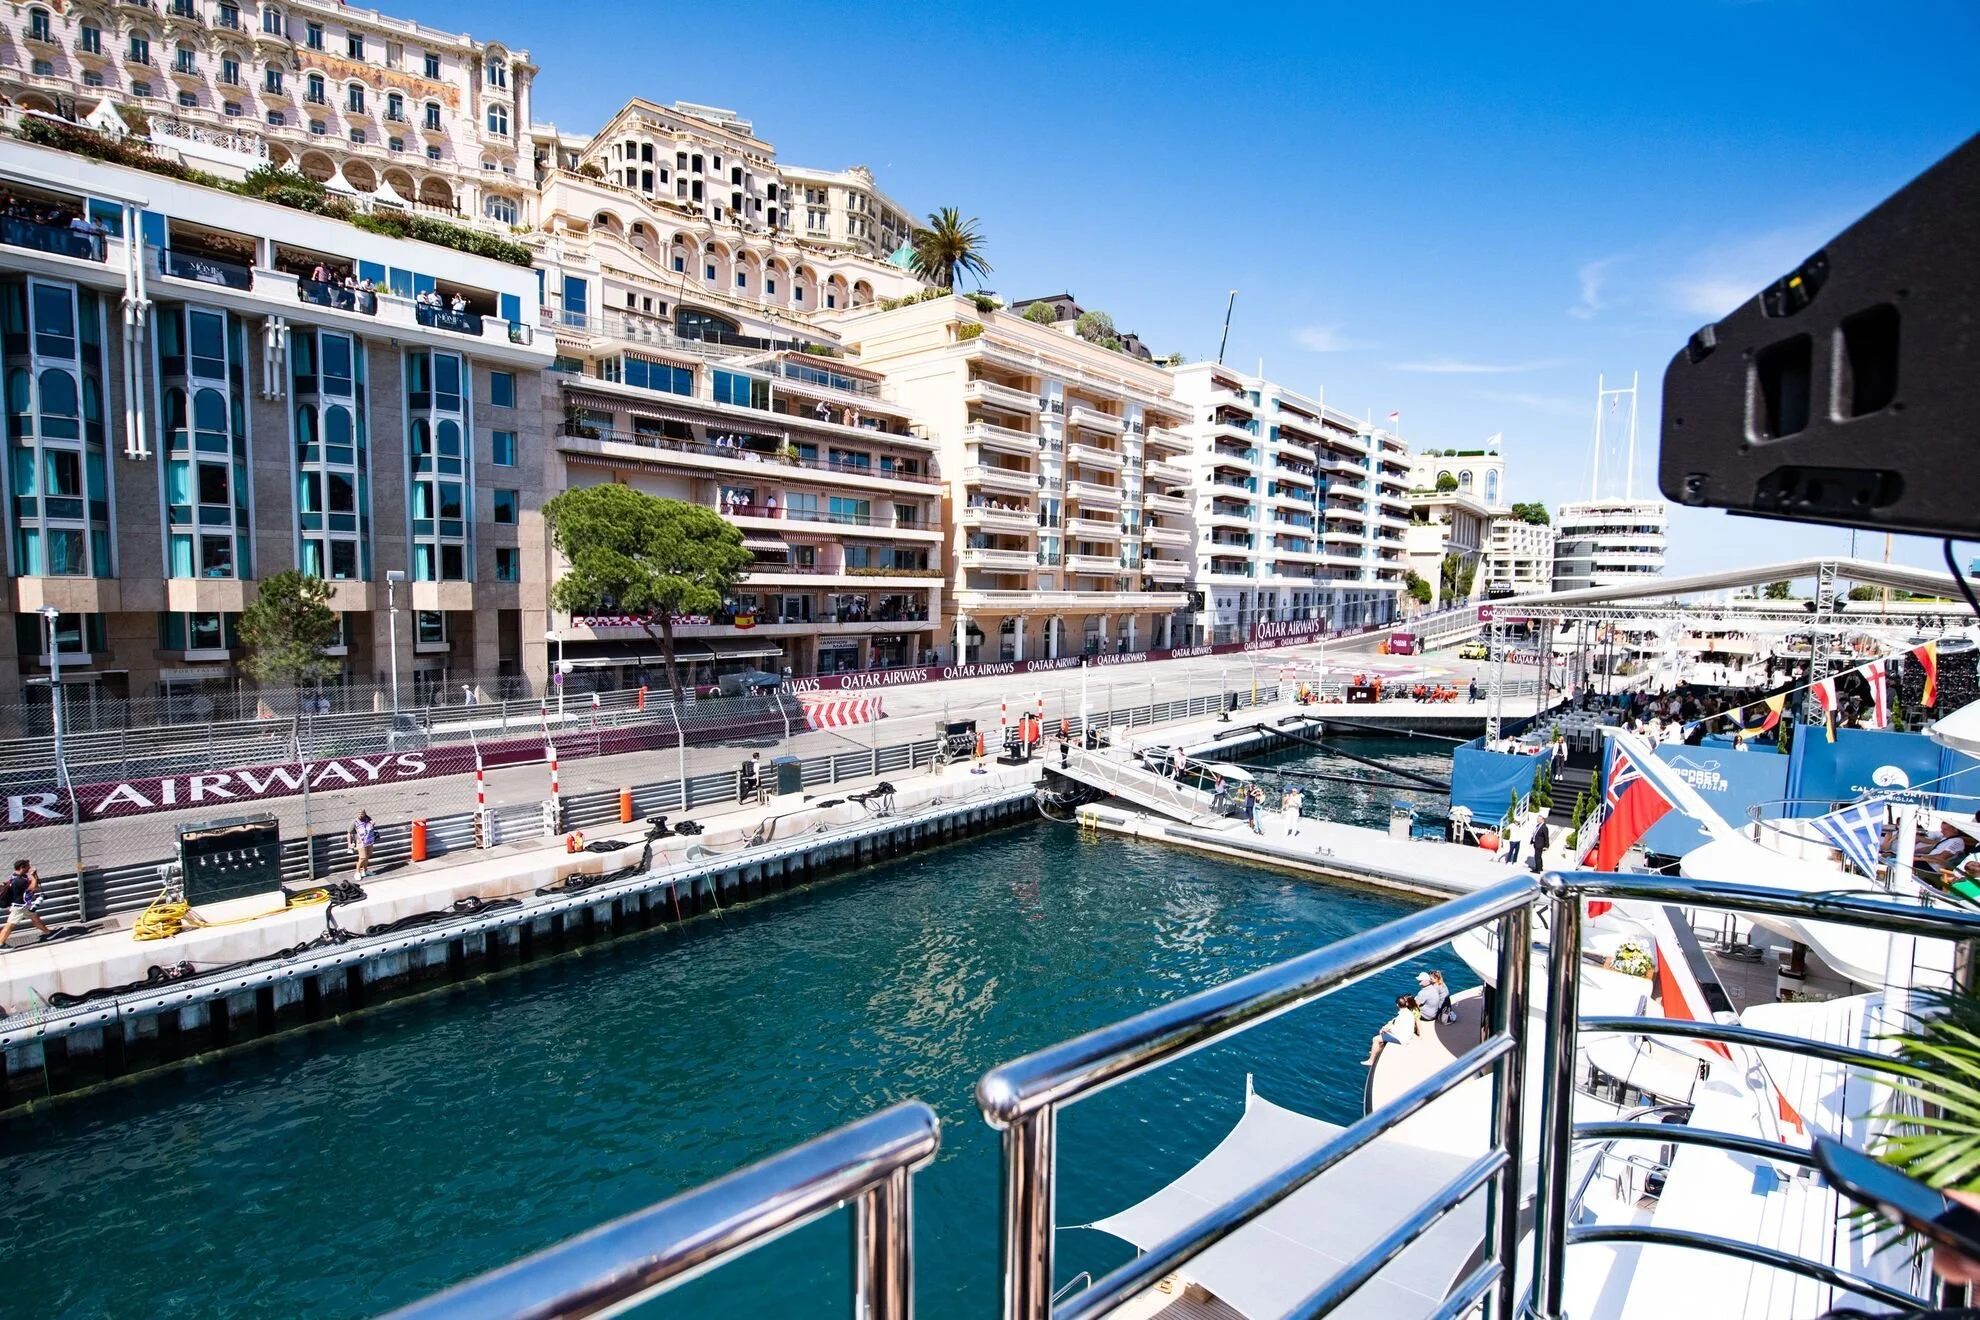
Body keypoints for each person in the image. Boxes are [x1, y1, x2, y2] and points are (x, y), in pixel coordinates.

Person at [0, 859, 52, 946]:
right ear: (22, 867)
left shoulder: (16, 876)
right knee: (10, 925)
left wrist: (33, 877)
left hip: (24, 905)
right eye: (28, 866)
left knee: (35, 918)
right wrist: (33, 876)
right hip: (20, 907)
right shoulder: (19, 881)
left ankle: (48, 933)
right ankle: (1, 943)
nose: (29, 867)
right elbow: (33, 888)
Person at [1363, 994, 1420, 1065]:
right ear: (1406, 1004)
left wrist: (1386, 1029)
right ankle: (1376, 1051)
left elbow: (1396, 1031)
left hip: (1402, 1039)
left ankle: (1371, 1061)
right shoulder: (1409, 1013)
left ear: (1397, 1005)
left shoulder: (1401, 1016)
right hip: (1407, 1035)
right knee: (1382, 1036)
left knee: (1376, 1039)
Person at [347, 811, 377, 880]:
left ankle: (365, 871)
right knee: (362, 858)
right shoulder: (354, 822)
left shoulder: (367, 819)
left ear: (364, 814)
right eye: (359, 814)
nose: (360, 815)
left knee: (367, 856)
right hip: (361, 843)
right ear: (357, 814)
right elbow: (349, 833)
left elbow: (370, 826)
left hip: (369, 841)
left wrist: (372, 823)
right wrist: (349, 843)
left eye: (362, 814)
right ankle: (357, 872)